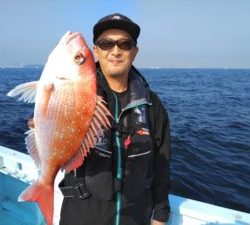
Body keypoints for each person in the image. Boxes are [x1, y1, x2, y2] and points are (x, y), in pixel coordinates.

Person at [59, 13, 171, 225]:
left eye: (125, 44)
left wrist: (161, 214)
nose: (116, 51)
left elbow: (162, 163)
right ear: (96, 51)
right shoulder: (74, 94)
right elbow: (53, 122)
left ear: (135, 52)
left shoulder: (152, 105)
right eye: (106, 43)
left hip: (136, 218)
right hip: (81, 217)